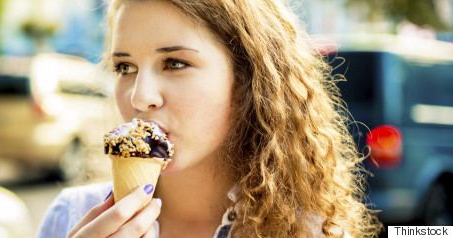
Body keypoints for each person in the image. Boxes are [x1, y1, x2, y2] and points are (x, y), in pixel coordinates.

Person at [38, 0, 383, 237]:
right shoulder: (70, 217)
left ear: (248, 78)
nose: (139, 97)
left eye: (174, 63)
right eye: (125, 67)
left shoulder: (310, 233)